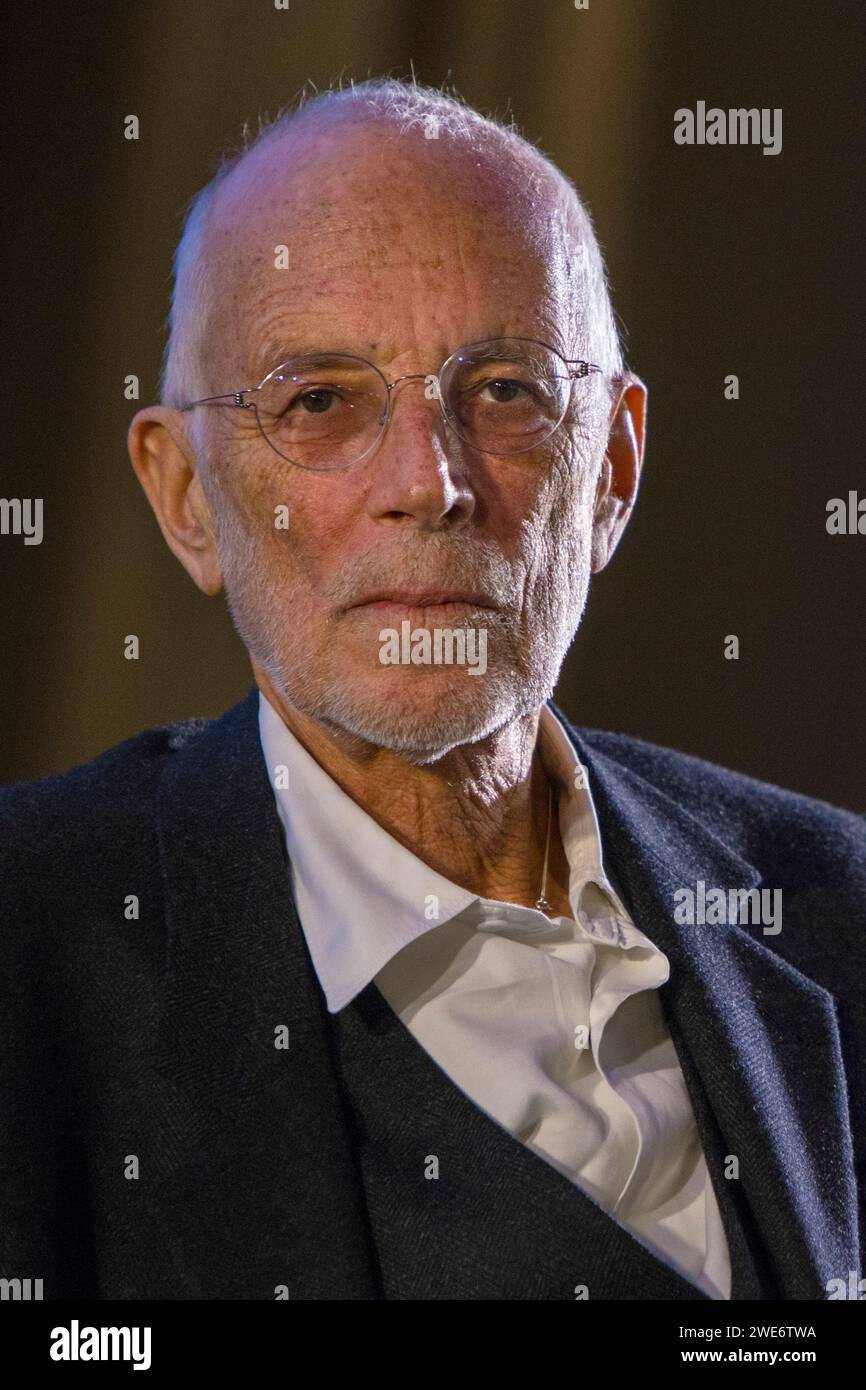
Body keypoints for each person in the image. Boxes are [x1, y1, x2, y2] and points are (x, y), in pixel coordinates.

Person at [1, 78, 863, 1302]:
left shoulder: (829, 906)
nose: (430, 481)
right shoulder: (33, 951)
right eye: (318, 401)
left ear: (611, 470)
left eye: (504, 390)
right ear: (187, 497)